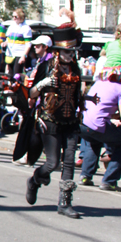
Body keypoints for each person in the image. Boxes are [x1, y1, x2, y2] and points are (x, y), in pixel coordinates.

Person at [25, 27, 84, 218]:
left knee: (69, 161)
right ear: (58, 51)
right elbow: (32, 94)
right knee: (52, 163)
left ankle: (65, 203)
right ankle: (35, 180)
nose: (70, 55)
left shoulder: (75, 69)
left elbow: (77, 95)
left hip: (70, 122)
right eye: (67, 51)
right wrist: (44, 84)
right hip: (50, 121)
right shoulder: (46, 67)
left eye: (72, 52)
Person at [3, 8, 32, 78]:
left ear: (21, 17)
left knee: (16, 75)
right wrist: (5, 43)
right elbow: (8, 39)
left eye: (16, 16)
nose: (14, 18)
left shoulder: (26, 28)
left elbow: (28, 44)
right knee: (9, 76)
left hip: (19, 54)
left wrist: (24, 56)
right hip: (10, 54)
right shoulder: (11, 26)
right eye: (13, 16)